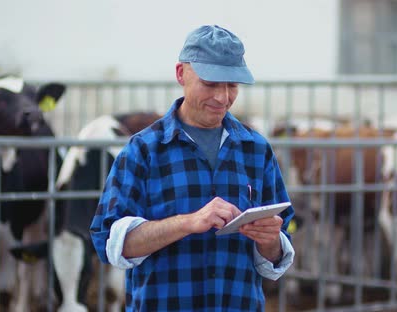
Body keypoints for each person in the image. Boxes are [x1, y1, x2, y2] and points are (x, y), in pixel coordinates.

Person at [90, 24, 295, 311]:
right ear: (180, 74)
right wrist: (188, 222)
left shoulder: (257, 150)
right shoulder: (143, 150)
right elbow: (110, 242)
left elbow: (277, 253)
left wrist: (269, 240)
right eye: (211, 83)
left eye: (232, 85)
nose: (223, 97)